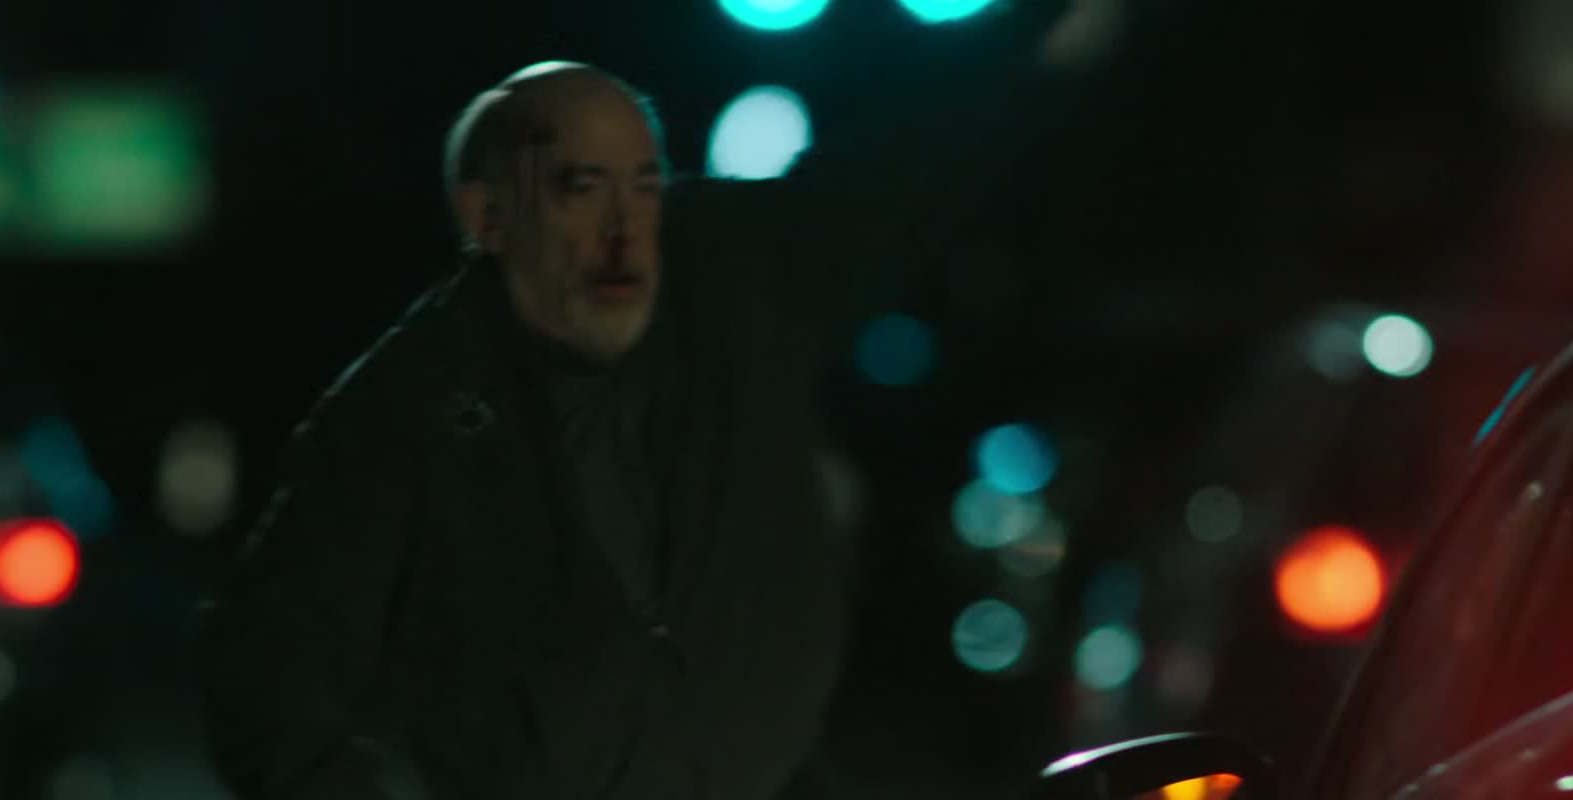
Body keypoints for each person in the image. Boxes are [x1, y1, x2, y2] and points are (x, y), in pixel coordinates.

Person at [197, 57, 1074, 799]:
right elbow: (267, 668)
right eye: (580, 191)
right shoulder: (398, 414)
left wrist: (1054, 38)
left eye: (645, 186)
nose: (625, 231)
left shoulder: (730, 278)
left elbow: (908, 160)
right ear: (486, 217)